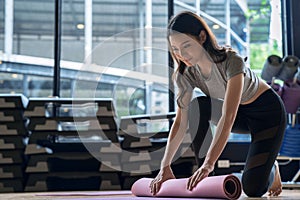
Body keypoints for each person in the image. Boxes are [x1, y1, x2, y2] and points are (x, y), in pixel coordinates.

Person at [149, 11, 287, 197]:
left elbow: (227, 117)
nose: (181, 55)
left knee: (254, 189)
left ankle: (271, 167)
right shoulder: (187, 74)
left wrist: (209, 162)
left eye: (187, 46)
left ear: (202, 37)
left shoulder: (231, 61)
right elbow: (180, 122)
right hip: (241, 114)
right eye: (175, 49)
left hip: (268, 115)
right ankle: (207, 178)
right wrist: (164, 166)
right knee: (197, 107)